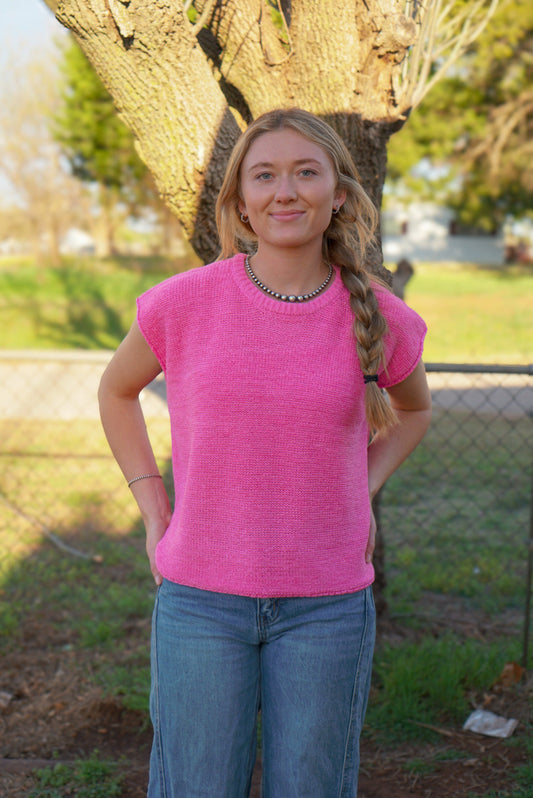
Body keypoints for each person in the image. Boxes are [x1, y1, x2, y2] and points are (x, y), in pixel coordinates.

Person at [98, 108, 432, 798]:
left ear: (338, 192)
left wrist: (356, 489)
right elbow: (116, 391)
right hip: (199, 602)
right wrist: (153, 506)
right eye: (265, 175)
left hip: (327, 607)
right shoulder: (181, 304)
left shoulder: (383, 318)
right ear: (241, 203)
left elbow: (413, 412)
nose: (286, 191)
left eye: (306, 172)